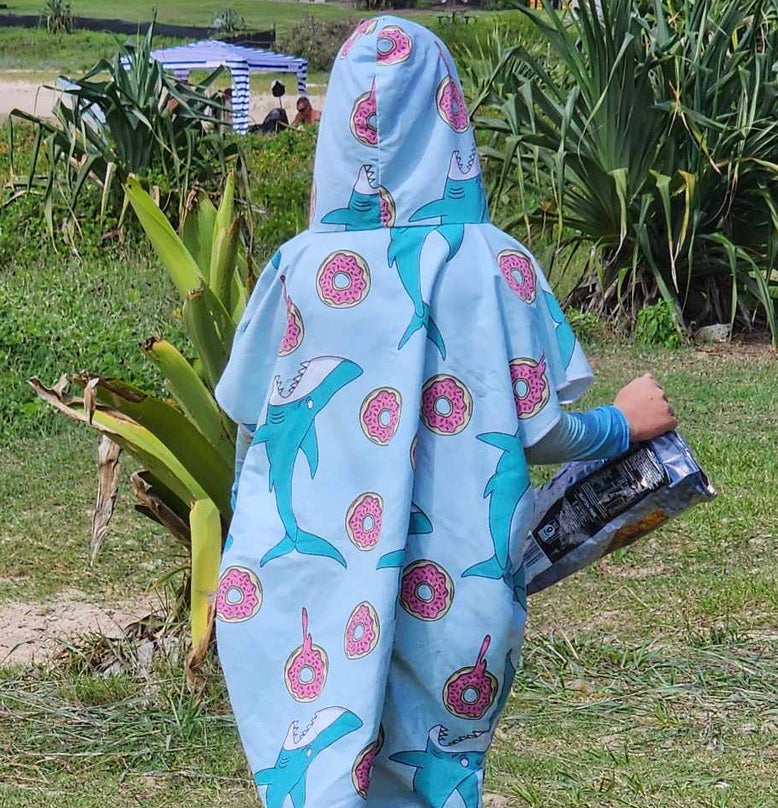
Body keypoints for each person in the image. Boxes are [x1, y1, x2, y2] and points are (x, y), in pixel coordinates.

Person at [213, 16, 676, 808]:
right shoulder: (496, 266)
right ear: (450, 116)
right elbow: (540, 432)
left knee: (313, 782)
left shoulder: (297, 269)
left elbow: (253, 433)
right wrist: (624, 423)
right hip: (450, 595)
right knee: (432, 784)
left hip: (296, 591)